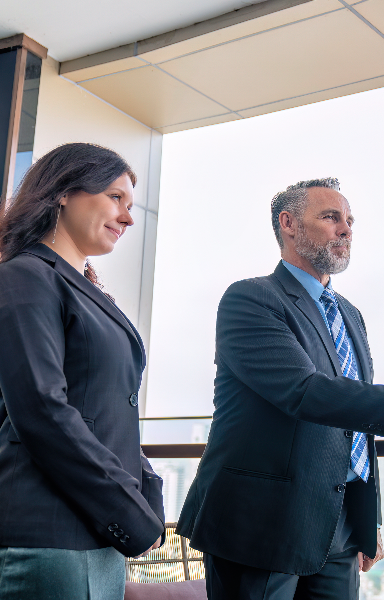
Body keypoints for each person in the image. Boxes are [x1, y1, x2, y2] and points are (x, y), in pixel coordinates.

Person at [176, 178, 384, 600]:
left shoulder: (350, 314)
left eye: (350, 220)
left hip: (340, 526)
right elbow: (306, 392)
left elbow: (357, 421)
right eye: (331, 217)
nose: (346, 229)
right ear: (289, 223)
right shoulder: (251, 299)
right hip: (260, 523)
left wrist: (371, 521)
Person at [0, 143, 165, 599]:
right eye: (116, 198)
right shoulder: (26, 276)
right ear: (63, 193)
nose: (128, 218)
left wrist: (146, 490)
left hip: (90, 530)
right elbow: (42, 408)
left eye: (131, 206)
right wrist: (127, 509)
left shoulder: (82, 288)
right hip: (52, 530)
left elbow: (106, 409)